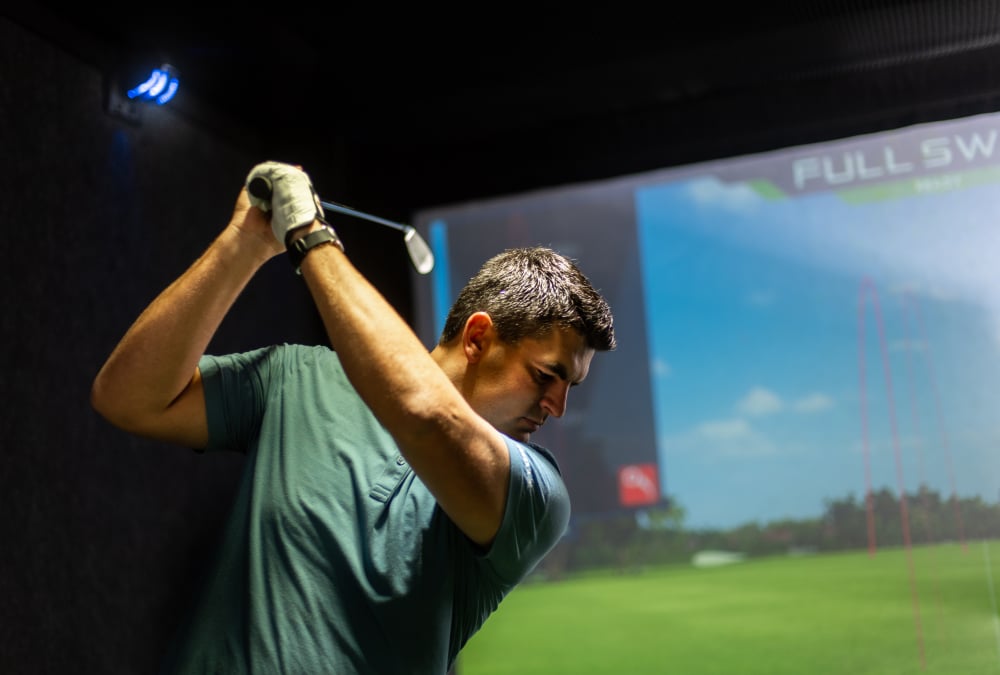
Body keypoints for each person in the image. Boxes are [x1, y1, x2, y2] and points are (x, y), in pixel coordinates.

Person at [90, 161, 616, 674]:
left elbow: (424, 414)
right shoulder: (296, 376)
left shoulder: (536, 495)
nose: (558, 406)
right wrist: (244, 244)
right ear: (478, 338)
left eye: (570, 386)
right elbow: (127, 398)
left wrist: (309, 236)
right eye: (546, 375)